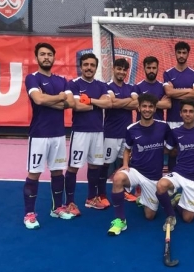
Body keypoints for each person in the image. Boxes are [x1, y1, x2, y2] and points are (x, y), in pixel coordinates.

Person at [22, 42, 75, 229]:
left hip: (58, 134)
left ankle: (57, 208)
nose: (46, 57)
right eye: (43, 54)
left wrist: (49, 100)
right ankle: (29, 214)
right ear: (37, 57)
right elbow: (38, 99)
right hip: (39, 134)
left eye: (49, 55)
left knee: (57, 172)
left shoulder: (62, 80)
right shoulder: (32, 78)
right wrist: (59, 98)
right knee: (34, 173)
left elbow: (70, 103)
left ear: (54, 58)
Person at [108, 94, 174, 236]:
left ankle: (142, 198)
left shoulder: (163, 127)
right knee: (118, 178)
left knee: (150, 216)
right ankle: (120, 220)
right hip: (136, 171)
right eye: (144, 106)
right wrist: (125, 164)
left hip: (153, 177)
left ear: (155, 109)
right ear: (138, 108)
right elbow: (127, 149)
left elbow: (169, 148)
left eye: (150, 107)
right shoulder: (131, 128)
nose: (147, 109)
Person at [64, 53, 113, 216]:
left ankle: (91, 198)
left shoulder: (101, 85)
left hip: (98, 132)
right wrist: (98, 104)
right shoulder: (74, 84)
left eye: (92, 65)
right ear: (81, 66)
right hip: (80, 132)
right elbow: (77, 105)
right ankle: (70, 202)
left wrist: (90, 101)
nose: (89, 68)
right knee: (73, 167)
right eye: (86, 64)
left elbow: (108, 103)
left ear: (96, 67)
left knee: (95, 165)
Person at [156, 99, 194, 231]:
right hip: (180, 172)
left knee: (188, 218)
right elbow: (167, 150)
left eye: (191, 111)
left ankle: (178, 201)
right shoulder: (175, 132)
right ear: (180, 113)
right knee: (161, 185)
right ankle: (171, 215)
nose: (187, 114)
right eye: (185, 111)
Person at [163, 41, 194, 172]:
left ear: (188, 54)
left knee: (189, 149)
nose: (181, 55)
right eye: (179, 52)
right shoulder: (168, 73)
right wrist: (188, 90)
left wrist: (176, 92)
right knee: (173, 151)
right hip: (172, 119)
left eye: (184, 53)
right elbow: (168, 92)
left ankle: (189, 176)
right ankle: (172, 179)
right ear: (175, 53)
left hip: (189, 119)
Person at [104, 58, 137, 200]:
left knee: (123, 164)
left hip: (126, 133)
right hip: (111, 133)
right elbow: (111, 103)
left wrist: (118, 102)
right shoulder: (107, 86)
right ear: (113, 69)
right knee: (106, 165)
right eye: (119, 69)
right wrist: (128, 101)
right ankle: (101, 193)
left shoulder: (131, 88)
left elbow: (136, 104)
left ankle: (122, 191)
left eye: (124, 70)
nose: (122, 72)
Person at [132, 56, 171, 121]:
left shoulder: (163, 87)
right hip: (142, 125)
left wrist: (144, 103)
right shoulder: (137, 87)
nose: (151, 70)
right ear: (144, 68)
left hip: (159, 124)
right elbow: (136, 104)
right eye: (148, 68)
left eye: (154, 68)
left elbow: (168, 104)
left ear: (157, 69)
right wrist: (159, 103)